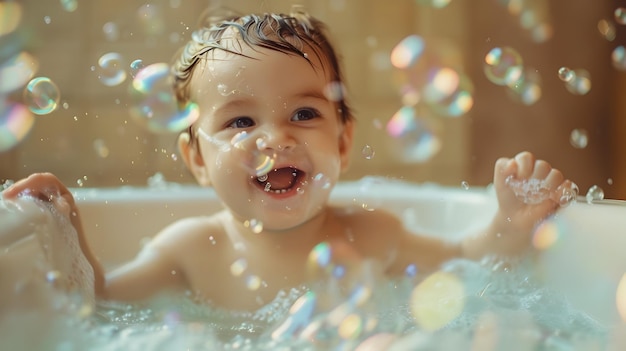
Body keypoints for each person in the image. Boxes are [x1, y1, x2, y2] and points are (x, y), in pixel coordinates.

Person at [1, 7, 573, 312]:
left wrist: (509, 223)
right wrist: (65, 230)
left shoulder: (375, 235)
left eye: (304, 114)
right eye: (240, 121)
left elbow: (470, 264)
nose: (274, 139)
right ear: (196, 158)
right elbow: (97, 306)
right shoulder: (189, 250)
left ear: (344, 143)